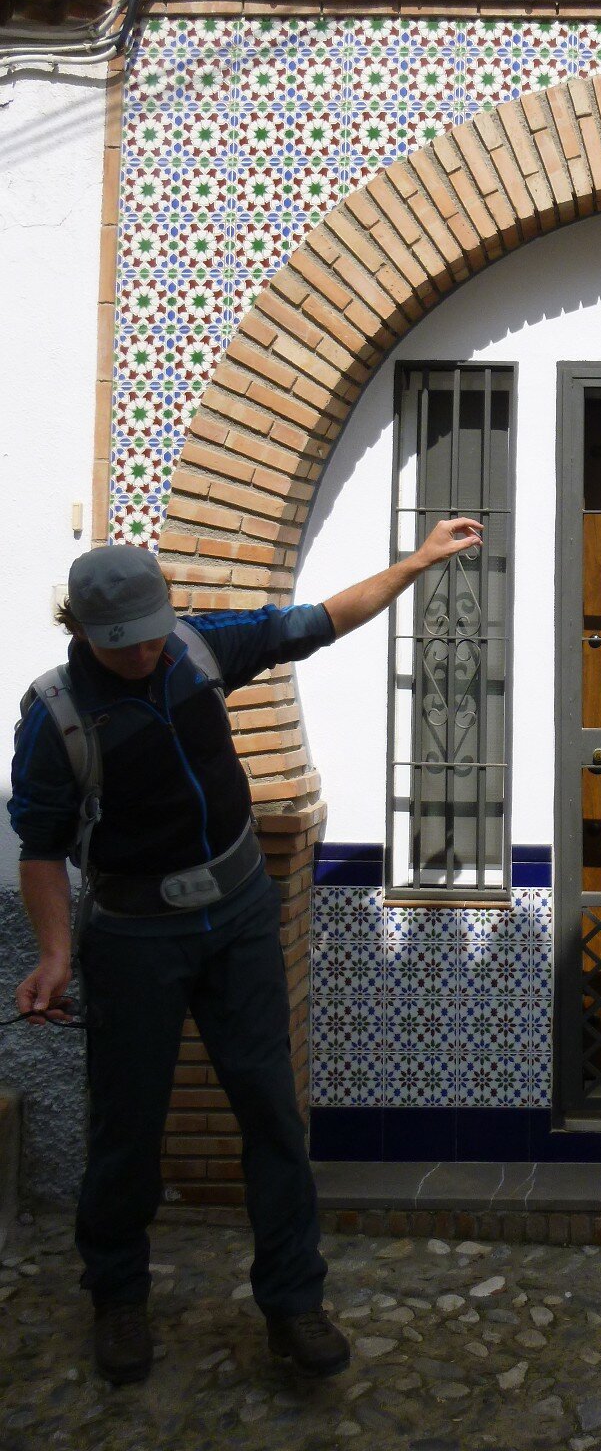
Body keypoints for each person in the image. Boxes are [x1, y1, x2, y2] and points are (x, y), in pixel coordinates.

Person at [8, 518, 482, 1385]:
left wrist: (416, 563)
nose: (143, 654)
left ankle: (295, 1304)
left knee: (270, 1112)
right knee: (126, 1128)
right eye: (123, 643)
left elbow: (321, 619)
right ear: (81, 630)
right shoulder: (57, 716)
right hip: (133, 938)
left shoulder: (196, 649)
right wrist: (53, 955)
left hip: (239, 919)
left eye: (151, 634)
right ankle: (118, 1298)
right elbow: (39, 847)